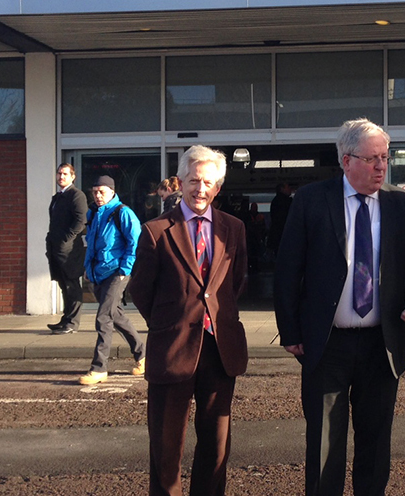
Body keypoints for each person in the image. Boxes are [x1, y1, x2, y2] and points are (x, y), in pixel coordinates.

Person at [274, 118, 405, 496]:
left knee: (376, 445)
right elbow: (287, 268)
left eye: (385, 158)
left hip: (382, 342)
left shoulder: (404, 205)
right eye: (371, 159)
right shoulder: (312, 200)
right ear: (346, 161)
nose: (381, 167)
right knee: (325, 443)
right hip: (327, 344)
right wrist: (291, 331)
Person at [128, 145, 249, 496]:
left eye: (208, 182)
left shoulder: (234, 229)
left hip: (219, 349)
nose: (201, 189)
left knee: (216, 446)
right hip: (173, 348)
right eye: (194, 180)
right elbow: (141, 290)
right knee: (166, 449)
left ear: (218, 188)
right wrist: (171, 321)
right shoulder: (156, 231)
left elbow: (236, 282)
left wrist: (213, 317)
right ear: (181, 182)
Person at [78, 175, 147, 385]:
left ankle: (99, 368)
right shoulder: (94, 213)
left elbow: (135, 242)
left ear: (112, 192)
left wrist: (125, 269)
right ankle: (143, 356)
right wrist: (88, 269)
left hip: (117, 272)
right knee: (115, 316)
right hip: (98, 273)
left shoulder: (123, 213)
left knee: (103, 318)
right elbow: (91, 243)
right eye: (95, 191)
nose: (98, 196)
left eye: (102, 192)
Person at [45, 163, 88, 335]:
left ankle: (73, 322)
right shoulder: (57, 197)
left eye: (65, 174)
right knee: (63, 285)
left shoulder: (76, 195)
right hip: (56, 249)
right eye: (59, 173)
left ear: (72, 176)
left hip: (69, 250)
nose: (61, 177)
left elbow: (80, 221)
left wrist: (65, 240)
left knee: (72, 285)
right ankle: (65, 319)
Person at [265, 182, 292, 255]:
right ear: (281, 189)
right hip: (286, 234)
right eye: (287, 187)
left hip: (277, 234)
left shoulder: (275, 201)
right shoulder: (288, 202)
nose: (290, 189)